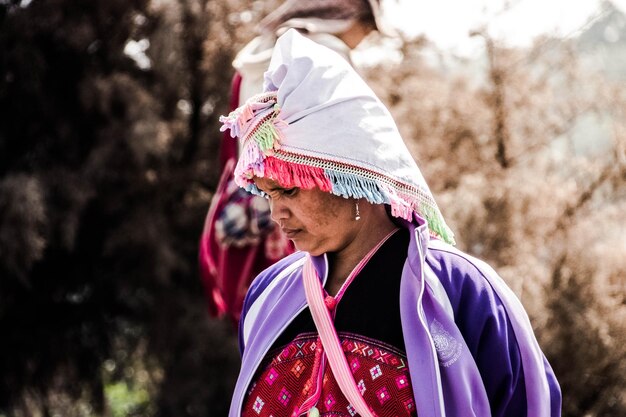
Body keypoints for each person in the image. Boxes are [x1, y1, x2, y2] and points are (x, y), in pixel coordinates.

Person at [221, 30, 561, 417]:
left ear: (347, 176)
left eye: (289, 191)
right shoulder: (268, 294)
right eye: (268, 194)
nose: (276, 214)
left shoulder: (461, 290)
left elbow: (529, 405)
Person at [200, 0, 393, 323]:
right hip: (312, 197)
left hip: (257, 200)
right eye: (368, 29)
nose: (365, 39)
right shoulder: (326, 53)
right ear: (345, 16)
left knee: (272, 314)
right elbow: (350, 138)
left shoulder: (253, 54)